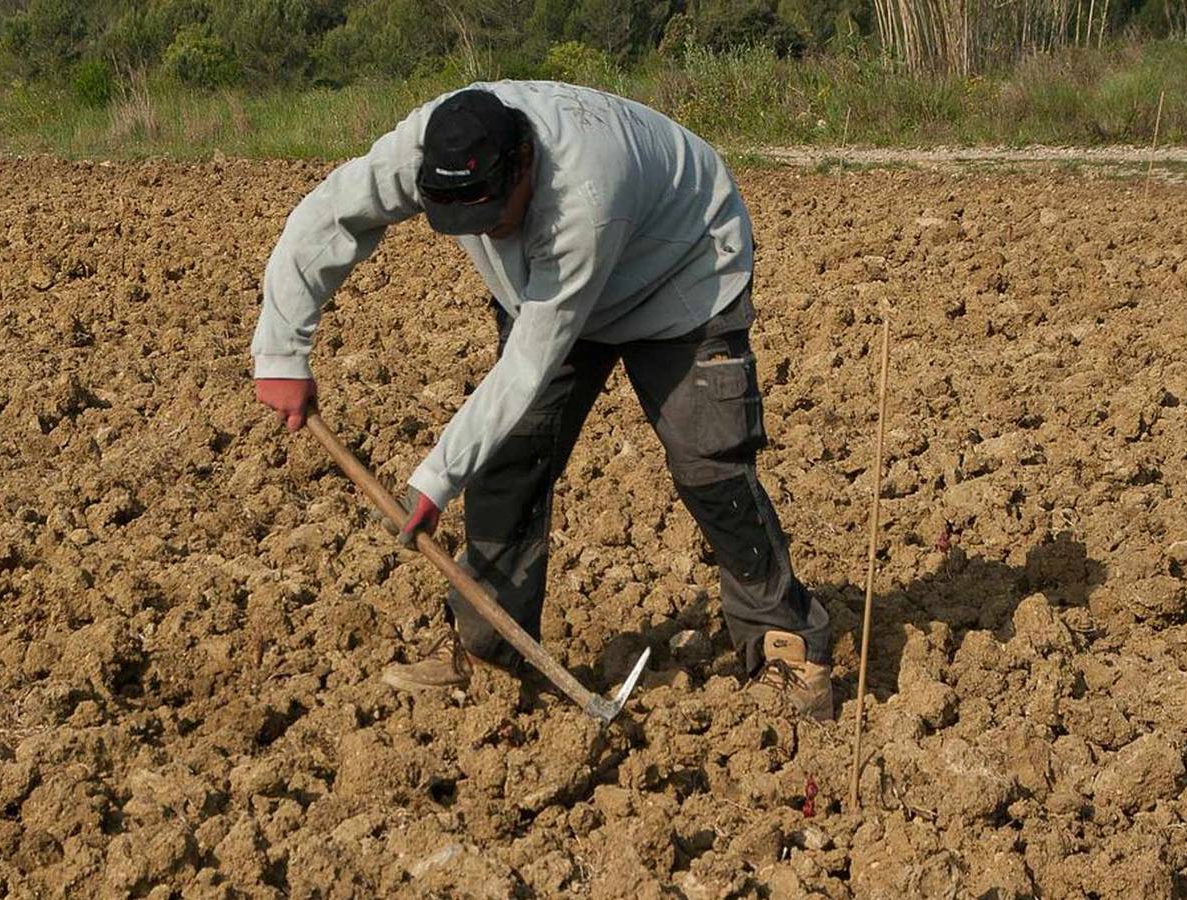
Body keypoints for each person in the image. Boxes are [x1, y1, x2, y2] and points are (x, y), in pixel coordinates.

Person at [251, 81, 833, 720]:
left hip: (681, 276)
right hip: (547, 290)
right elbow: (329, 214)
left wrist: (435, 478)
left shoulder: (585, 198)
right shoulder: (427, 148)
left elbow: (530, 360)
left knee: (710, 464)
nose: (489, 234)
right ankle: (488, 652)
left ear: (523, 164)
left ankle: (788, 645)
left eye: (496, 215)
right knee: (509, 459)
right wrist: (280, 351)